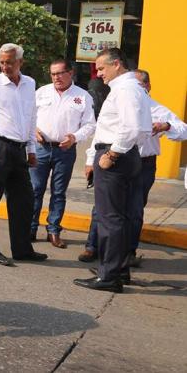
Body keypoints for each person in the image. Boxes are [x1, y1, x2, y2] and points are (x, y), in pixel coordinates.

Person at [79, 69, 186, 264]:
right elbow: (101, 133)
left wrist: (166, 126)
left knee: (133, 211)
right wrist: (90, 160)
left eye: (137, 85)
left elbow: (183, 130)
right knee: (103, 209)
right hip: (112, 160)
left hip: (142, 164)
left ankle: (127, 254)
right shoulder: (119, 100)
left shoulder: (156, 109)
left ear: (147, 87)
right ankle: (93, 247)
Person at [74, 49, 151, 293]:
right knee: (122, 217)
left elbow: (131, 128)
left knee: (110, 219)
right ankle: (118, 270)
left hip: (116, 158)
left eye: (101, 68)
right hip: (126, 157)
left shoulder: (126, 89)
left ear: (116, 64)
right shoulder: (131, 88)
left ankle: (109, 276)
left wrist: (112, 154)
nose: (98, 73)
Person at [0, 43, 47, 267]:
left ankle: (22, 249)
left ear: (20, 63)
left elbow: (31, 118)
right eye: (1, 62)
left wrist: (32, 149)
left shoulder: (30, 84)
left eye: (9, 62)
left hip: (20, 150)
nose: (4, 66)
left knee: (24, 202)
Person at [30, 59, 95, 248]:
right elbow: (27, 116)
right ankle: (30, 228)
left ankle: (53, 231)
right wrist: (33, 130)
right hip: (41, 148)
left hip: (65, 151)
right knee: (35, 190)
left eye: (60, 73)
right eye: (53, 74)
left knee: (58, 193)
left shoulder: (82, 96)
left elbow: (90, 124)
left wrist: (74, 137)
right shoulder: (41, 93)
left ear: (71, 72)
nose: (56, 77)